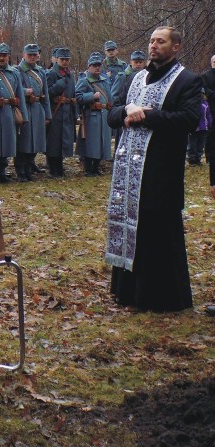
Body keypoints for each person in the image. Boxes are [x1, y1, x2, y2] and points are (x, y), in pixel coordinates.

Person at [106, 26, 201, 312]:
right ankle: (128, 293)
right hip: (128, 171)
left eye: (161, 41)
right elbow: (113, 113)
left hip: (162, 170)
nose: (153, 46)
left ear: (176, 47)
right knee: (132, 227)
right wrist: (125, 112)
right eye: (151, 41)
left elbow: (189, 119)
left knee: (158, 230)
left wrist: (146, 115)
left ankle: (160, 297)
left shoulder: (187, 80)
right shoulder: (136, 78)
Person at [0, 43, 26, 184]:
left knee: (7, 143)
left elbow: (20, 93)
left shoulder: (14, 73)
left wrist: (23, 115)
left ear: (8, 56)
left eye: (4, 55)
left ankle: (1, 172)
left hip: (8, 111)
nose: (1, 58)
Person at [15, 43, 51, 181]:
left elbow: (45, 94)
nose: (32, 57)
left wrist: (47, 114)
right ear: (24, 55)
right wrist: (25, 92)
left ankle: (29, 168)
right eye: (29, 55)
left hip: (37, 108)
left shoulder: (41, 72)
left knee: (37, 140)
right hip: (24, 107)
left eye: (34, 55)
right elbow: (14, 89)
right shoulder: (17, 70)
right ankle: (21, 170)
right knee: (23, 141)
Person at [76, 53, 113, 176]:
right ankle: (88, 168)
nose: (97, 68)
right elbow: (78, 97)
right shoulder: (84, 81)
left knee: (102, 143)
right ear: (89, 67)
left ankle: (96, 167)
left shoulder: (104, 81)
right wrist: (91, 96)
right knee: (91, 144)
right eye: (94, 65)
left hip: (104, 115)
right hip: (91, 116)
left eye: (99, 65)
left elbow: (109, 97)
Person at [45, 47, 77, 178]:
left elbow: (73, 94)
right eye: (62, 59)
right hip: (55, 112)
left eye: (66, 59)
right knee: (53, 142)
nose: (64, 62)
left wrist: (75, 114)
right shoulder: (51, 74)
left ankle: (59, 167)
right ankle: (53, 168)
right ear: (56, 60)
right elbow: (47, 93)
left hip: (67, 112)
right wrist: (60, 84)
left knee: (64, 141)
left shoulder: (70, 74)